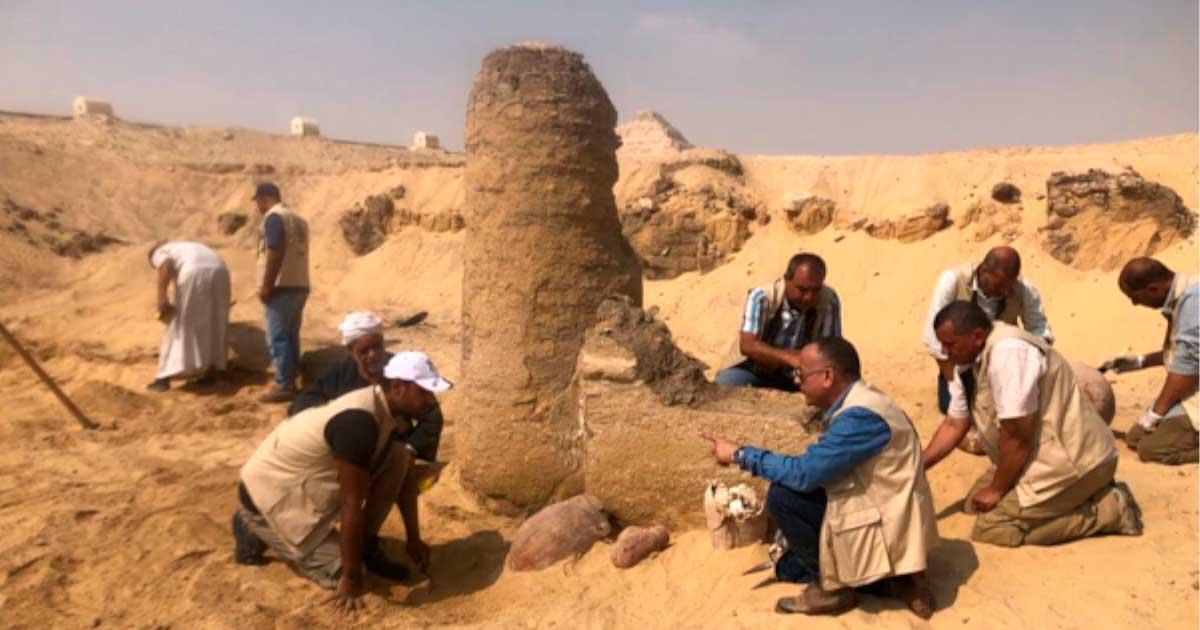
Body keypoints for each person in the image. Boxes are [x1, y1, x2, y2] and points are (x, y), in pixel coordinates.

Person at [702, 338, 937, 618]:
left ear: (827, 376)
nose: (797, 379)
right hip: (891, 511)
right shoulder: (866, 400)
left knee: (784, 498)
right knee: (790, 561)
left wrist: (740, 454)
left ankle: (833, 589)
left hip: (888, 520)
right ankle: (894, 580)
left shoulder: (858, 417)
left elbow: (803, 474)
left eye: (801, 373)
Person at [233, 351, 451, 613]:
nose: (430, 400)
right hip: (270, 494)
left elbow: (404, 478)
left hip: (302, 485)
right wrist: (350, 579)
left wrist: (413, 539)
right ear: (397, 387)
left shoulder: (392, 412)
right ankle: (250, 526)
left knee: (399, 457)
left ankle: (365, 545)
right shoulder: (358, 423)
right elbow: (351, 504)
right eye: (424, 392)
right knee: (348, 569)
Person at [922, 301, 1143, 548]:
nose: (944, 351)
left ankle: (1110, 510)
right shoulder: (968, 362)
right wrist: (918, 466)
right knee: (973, 507)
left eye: (949, 344)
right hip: (1035, 457)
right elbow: (955, 423)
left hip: (1073, 461)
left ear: (976, 336)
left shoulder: (1009, 353)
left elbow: (1017, 435)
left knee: (993, 528)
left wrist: (997, 489)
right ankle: (1079, 497)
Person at [922, 246, 1053, 415]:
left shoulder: (1024, 289)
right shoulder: (953, 280)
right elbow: (932, 339)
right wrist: (954, 384)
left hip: (1005, 361)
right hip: (960, 364)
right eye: (999, 285)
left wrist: (1030, 365)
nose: (1005, 291)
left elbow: (1039, 330)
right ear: (983, 271)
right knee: (951, 409)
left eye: (1009, 286)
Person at [1101, 258, 1198, 465]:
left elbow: (1187, 370)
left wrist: (1155, 414)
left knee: (1150, 450)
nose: (1135, 304)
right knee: (1135, 438)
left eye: (1135, 298)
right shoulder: (1182, 296)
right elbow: (1182, 353)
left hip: (1193, 391)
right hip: (1191, 388)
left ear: (1153, 289)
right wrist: (1140, 361)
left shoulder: (1193, 302)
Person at [714, 253, 842, 392]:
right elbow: (748, 345)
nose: (808, 297)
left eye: (816, 290)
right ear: (787, 280)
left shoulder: (828, 301)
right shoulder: (762, 297)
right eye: (802, 290)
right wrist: (789, 357)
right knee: (724, 385)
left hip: (800, 375)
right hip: (755, 369)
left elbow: (831, 348)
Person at [145, 241, 231, 392]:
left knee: (180, 324)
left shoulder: (160, 252)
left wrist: (161, 297)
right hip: (221, 270)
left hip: (194, 271)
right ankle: (214, 372)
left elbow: (164, 265)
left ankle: (163, 378)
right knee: (215, 321)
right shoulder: (185, 247)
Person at [253, 182, 311, 404]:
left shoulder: (274, 217)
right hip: (300, 284)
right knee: (290, 335)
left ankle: (284, 384)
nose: (257, 206)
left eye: (257, 201)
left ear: (264, 198)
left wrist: (267, 284)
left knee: (278, 337)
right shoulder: (298, 219)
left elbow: (275, 250)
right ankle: (291, 378)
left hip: (281, 287)